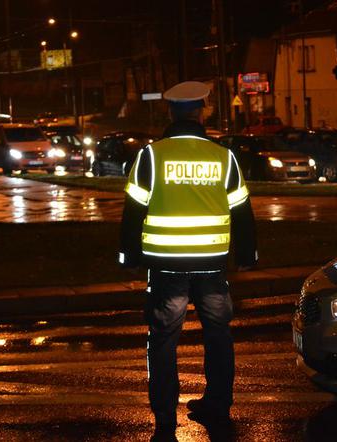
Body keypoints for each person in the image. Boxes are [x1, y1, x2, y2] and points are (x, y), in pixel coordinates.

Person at [118, 81, 258, 441]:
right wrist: (246, 255)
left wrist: (129, 256)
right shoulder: (223, 156)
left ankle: (165, 415)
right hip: (212, 264)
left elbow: (134, 209)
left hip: (166, 266)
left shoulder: (152, 155)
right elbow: (242, 210)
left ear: (170, 112)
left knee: (163, 339)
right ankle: (217, 403)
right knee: (218, 335)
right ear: (202, 112)